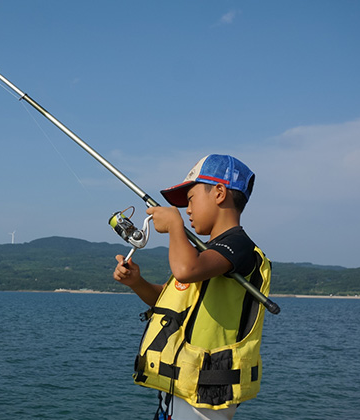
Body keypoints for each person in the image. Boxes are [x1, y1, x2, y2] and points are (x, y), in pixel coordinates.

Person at [113, 154, 271, 420]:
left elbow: (185, 271)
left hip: (204, 402)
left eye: (191, 199)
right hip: (179, 394)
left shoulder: (240, 247)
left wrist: (175, 225)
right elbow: (167, 302)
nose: (187, 210)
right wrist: (136, 282)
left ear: (219, 193)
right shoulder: (205, 255)